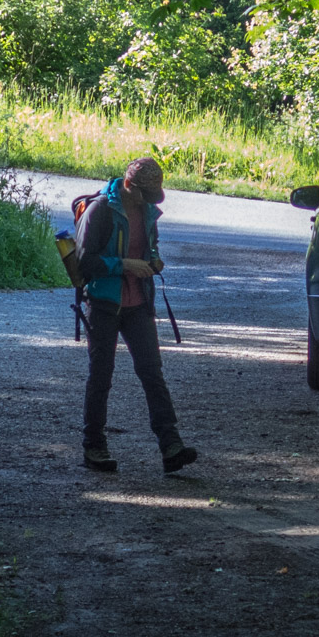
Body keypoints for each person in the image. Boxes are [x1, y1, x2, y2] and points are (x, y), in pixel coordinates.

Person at [72, 157, 198, 474]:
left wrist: (154, 263)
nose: (148, 201)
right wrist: (126, 265)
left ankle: (171, 447)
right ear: (129, 186)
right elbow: (85, 262)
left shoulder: (147, 211)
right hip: (103, 303)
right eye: (144, 194)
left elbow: (150, 249)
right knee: (101, 375)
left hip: (139, 303)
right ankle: (94, 448)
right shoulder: (100, 210)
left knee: (152, 373)